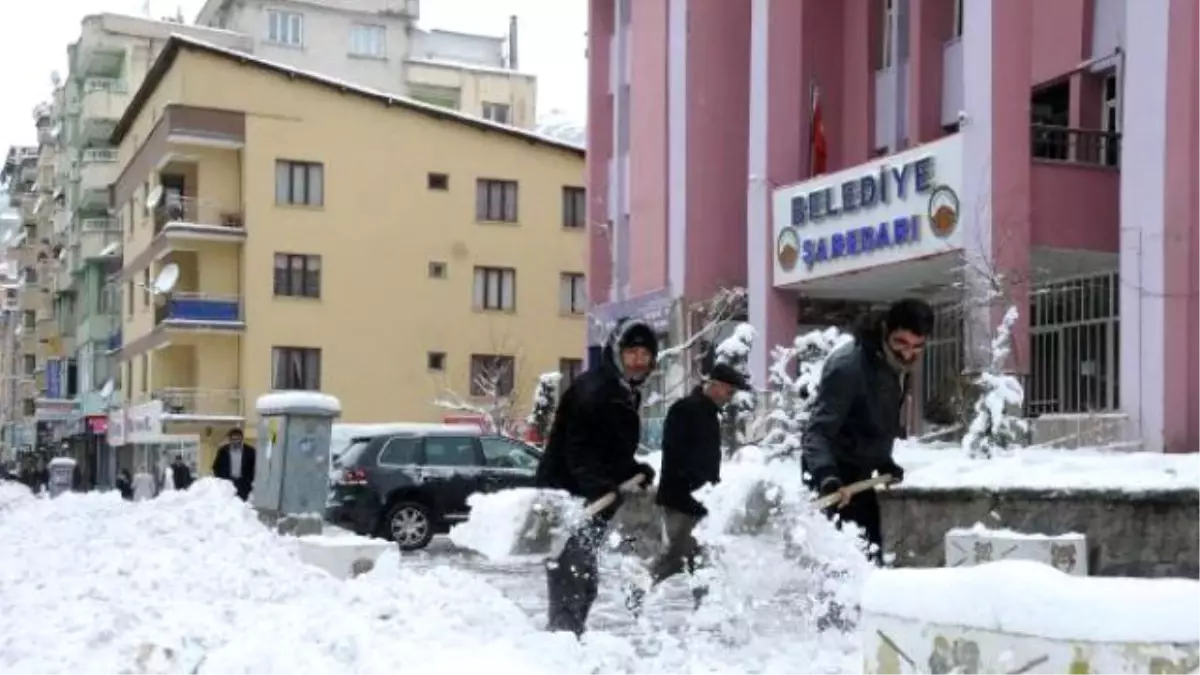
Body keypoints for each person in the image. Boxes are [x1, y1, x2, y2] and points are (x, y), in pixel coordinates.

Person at [535, 317, 660, 637]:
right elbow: (578, 448)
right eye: (632, 352)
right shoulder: (596, 390)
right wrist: (598, 485)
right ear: (616, 352)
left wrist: (632, 470)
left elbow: (608, 451)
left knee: (584, 582)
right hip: (569, 498)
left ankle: (566, 646)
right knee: (572, 581)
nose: (639, 360)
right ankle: (558, 649)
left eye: (645, 354)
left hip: (590, 496)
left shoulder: (622, 390)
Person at [801, 298, 934, 565]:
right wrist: (827, 477)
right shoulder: (849, 366)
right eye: (901, 343)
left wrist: (883, 461)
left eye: (917, 347)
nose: (908, 354)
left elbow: (871, 420)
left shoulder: (891, 365)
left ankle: (859, 604)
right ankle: (835, 606)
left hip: (859, 474)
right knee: (845, 564)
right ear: (885, 330)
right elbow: (816, 432)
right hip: (834, 476)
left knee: (869, 557)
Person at [627, 363, 749, 616]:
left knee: (701, 558)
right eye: (729, 392)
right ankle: (638, 589)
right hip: (682, 500)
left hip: (700, 501)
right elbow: (676, 455)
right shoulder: (685, 410)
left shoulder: (707, 413)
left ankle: (703, 609)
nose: (730, 398)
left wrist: (710, 492)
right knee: (675, 556)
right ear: (714, 385)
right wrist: (694, 487)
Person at [212, 429, 256, 501]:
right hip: (227, 483)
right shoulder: (223, 450)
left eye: (237, 439)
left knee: (242, 505)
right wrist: (221, 480)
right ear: (229, 439)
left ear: (242, 439)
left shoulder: (250, 451)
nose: (235, 441)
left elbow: (254, 468)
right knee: (227, 504)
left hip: (243, 484)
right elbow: (216, 467)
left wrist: (249, 480)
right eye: (233, 439)